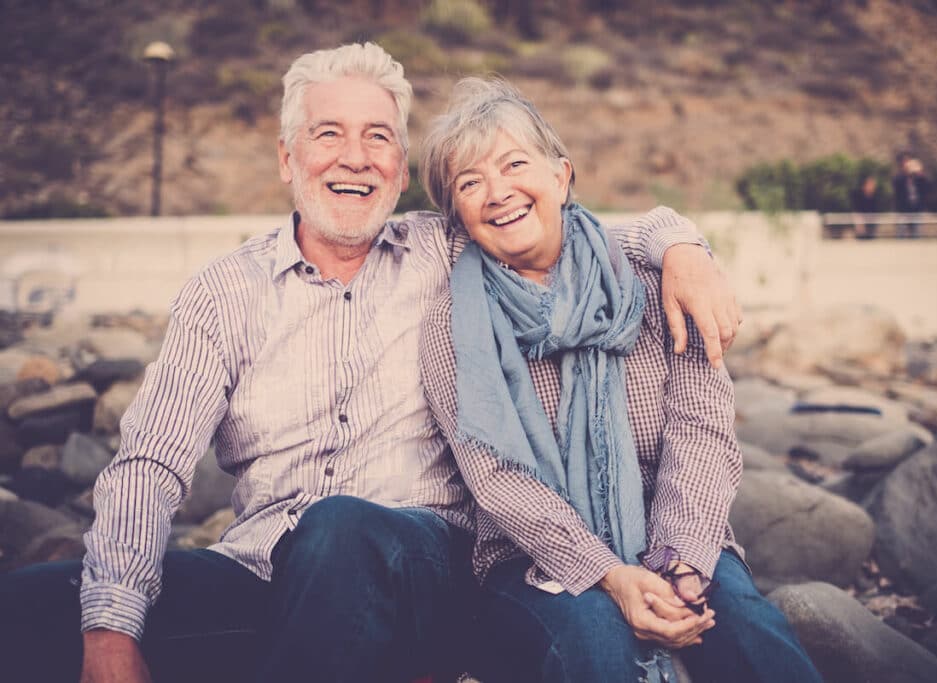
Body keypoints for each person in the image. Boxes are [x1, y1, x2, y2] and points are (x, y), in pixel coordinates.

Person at [0, 44, 740, 682]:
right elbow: (151, 462)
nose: (355, 157)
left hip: (426, 567)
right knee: (29, 608)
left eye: (378, 136)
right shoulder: (224, 292)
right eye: (329, 134)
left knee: (340, 529)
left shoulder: (445, 249)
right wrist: (110, 628)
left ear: (399, 164)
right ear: (288, 157)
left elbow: (556, 218)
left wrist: (679, 244)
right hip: (265, 567)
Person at [419, 77, 822, 683]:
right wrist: (608, 574)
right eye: (470, 183)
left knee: (753, 639)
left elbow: (702, 433)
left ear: (561, 176)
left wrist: (679, 561)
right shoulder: (455, 323)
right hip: (532, 560)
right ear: (458, 216)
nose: (497, 193)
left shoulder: (655, 275)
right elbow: (495, 479)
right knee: (597, 645)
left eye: (514, 164)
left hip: (673, 533)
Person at [892, 152, 929, 238]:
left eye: (909, 161)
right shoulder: (899, 177)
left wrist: (920, 173)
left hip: (916, 209)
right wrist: (906, 173)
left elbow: (926, 186)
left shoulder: (918, 177)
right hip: (902, 210)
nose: (907, 164)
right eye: (905, 162)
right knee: (900, 234)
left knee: (916, 233)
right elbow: (896, 184)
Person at [851, 174, 879, 239]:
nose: (872, 187)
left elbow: (875, 212)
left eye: (873, 185)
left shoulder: (875, 197)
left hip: (871, 223)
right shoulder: (858, 195)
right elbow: (856, 211)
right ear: (865, 185)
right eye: (870, 184)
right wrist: (859, 223)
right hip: (861, 223)